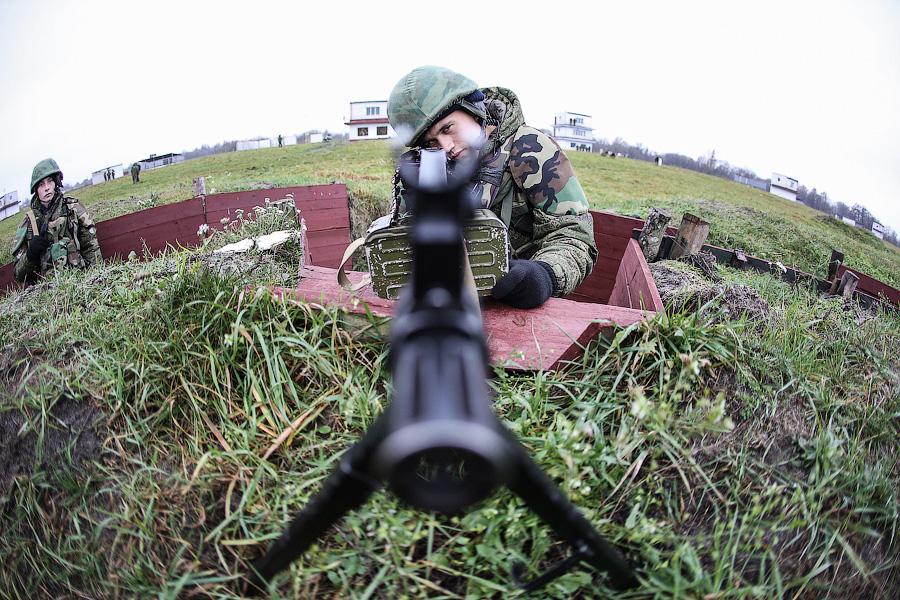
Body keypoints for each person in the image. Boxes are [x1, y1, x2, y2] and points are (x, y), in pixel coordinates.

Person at [387, 66, 598, 309]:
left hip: (522, 305)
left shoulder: (530, 150)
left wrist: (544, 275)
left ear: (473, 109)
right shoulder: (423, 168)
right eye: (431, 141)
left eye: (448, 128)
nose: (446, 146)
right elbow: (402, 238)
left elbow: (574, 235)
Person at [11, 158, 102, 283]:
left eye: (50, 181)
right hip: (47, 291)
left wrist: (96, 280)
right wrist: (31, 254)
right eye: (41, 184)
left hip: (81, 281)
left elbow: (91, 248)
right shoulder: (28, 223)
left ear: (56, 183)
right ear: (36, 190)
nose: (47, 188)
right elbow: (18, 274)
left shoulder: (73, 209)